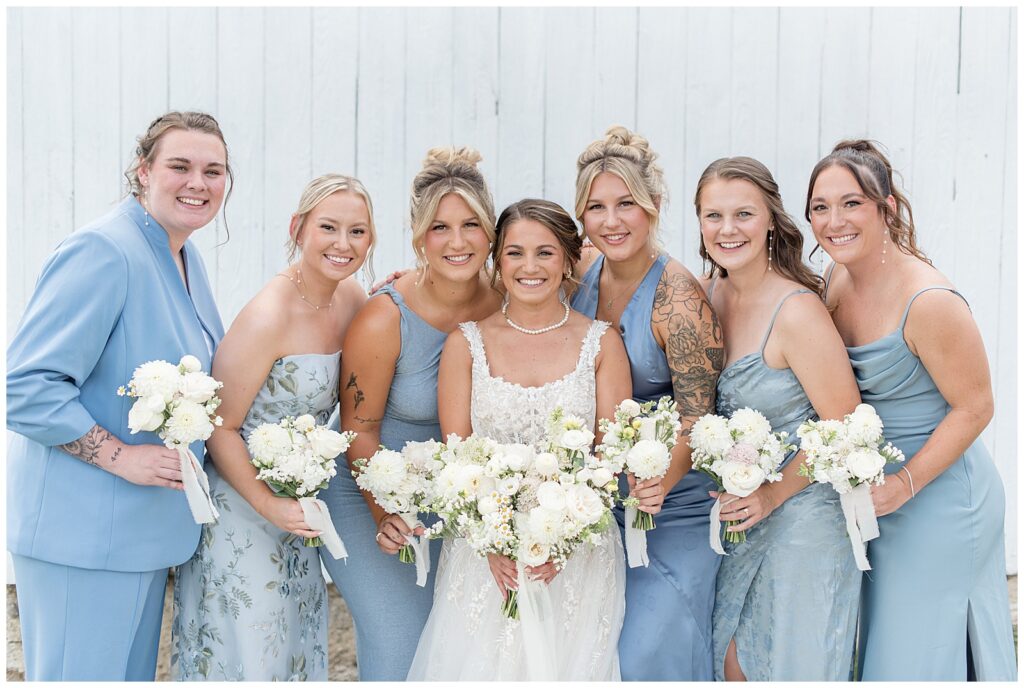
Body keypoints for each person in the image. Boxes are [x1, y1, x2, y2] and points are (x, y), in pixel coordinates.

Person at [6, 111, 229, 681]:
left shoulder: (184, 255)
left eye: (213, 170)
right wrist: (119, 456)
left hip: (143, 540)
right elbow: (28, 388)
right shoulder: (103, 251)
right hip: (81, 541)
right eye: (179, 166)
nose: (197, 183)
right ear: (142, 171)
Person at [807, 140, 1017, 681]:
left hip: (940, 496)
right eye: (821, 207)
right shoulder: (835, 280)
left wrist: (903, 484)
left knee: (919, 654)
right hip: (874, 495)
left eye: (852, 203)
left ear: (887, 207)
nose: (835, 221)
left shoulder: (929, 302)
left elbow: (976, 407)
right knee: (881, 648)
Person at [408, 198, 632, 680]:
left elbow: (611, 459)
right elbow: (457, 462)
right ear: (496, 260)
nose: (529, 267)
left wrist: (563, 543)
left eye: (546, 253)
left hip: (577, 553)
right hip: (485, 556)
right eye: (514, 253)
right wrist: (492, 542)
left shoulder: (602, 343)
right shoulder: (465, 343)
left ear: (571, 260)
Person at [170, 174, 375, 680]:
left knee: (294, 646)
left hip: (297, 512)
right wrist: (270, 504)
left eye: (358, 231)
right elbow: (219, 428)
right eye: (329, 227)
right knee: (251, 652)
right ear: (298, 228)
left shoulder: (351, 297)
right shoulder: (268, 315)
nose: (343, 244)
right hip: (243, 512)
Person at [319, 147, 503, 680]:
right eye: (440, 227)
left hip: (458, 501)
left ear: (490, 231)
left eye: (471, 224)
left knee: (460, 648)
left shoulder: (508, 302)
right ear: (419, 234)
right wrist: (385, 510)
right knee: (403, 643)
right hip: (368, 494)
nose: (458, 241)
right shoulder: (384, 318)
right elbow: (358, 429)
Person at [694, 157, 862, 680]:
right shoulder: (707, 295)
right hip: (742, 516)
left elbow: (845, 427)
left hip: (803, 515)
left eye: (743, 214)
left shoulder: (795, 311)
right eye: (713, 216)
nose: (728, 229)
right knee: (730, 659)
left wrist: (772, 494)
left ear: (771, 219)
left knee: (782, 663)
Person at [569, 126, 724, 680]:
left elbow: (699, 420)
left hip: (672, 508)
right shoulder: (581, 270)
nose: (612, 221)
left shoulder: (678, 299)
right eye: (597, 207)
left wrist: (659, 480)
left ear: (655, 206)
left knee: (645, 654)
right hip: (596, 507)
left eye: (627, 204)